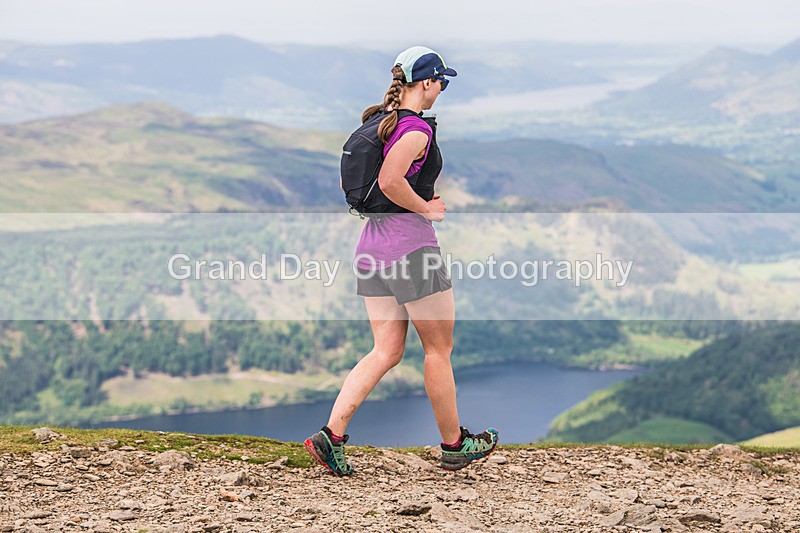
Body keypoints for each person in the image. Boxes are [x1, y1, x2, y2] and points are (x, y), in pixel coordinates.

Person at [304, 46, 498, 475]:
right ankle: (454, 445)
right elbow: (391, 180)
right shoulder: (415, 131)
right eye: (440, 82)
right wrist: (426, 209)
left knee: (386, 350)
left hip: (371, 249)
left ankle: (330, 436)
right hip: (410, 250)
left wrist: (414, 199)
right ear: (426, 82)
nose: (442, 89)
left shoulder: (378, 124)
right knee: (439, 350)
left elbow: (351, 181)